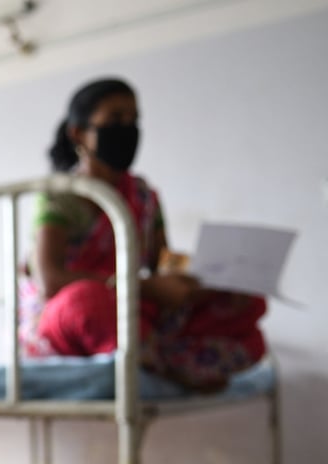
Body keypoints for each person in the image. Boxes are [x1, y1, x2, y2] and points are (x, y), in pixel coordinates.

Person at [19, 77, 267, 391]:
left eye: (133, 120)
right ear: (78, 133)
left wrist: (205, 279)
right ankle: (166, 364)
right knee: (87, 301)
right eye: (115, 120)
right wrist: (146, 288)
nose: (127, 129)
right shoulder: (60, 195)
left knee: (246, 305)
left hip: (133, 315)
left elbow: (163, 266)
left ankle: (155, 357)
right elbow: (50, 282)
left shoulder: (144, 196)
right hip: (68, 323)